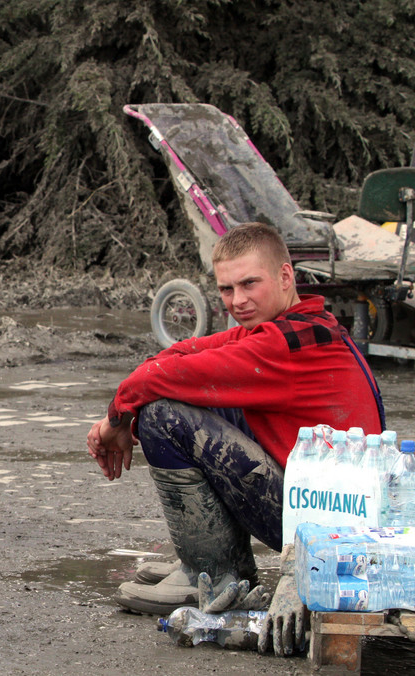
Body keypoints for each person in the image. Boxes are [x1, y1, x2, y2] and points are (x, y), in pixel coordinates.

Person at [85, 222, 384, 655]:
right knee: (180, 401)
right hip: (321, 515)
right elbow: (182, 353)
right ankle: (208, 558)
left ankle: (214, 570)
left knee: (163, 417)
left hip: (326, 534)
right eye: (226, 289)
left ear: (285, 278)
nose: (237, 301)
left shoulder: (286, 345)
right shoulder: (297, 324)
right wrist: (120, 415)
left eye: (249, 284)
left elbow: (159, 376)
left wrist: (117, 418)